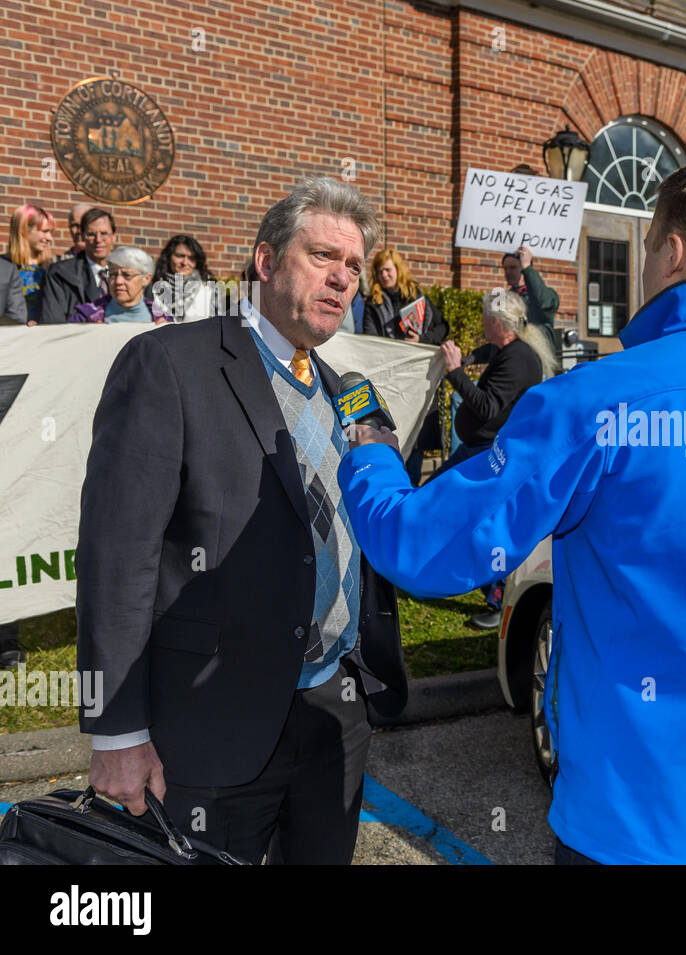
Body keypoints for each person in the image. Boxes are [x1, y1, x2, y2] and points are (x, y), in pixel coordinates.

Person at [340, 152, 686, 864]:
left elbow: (425, 547)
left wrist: (371, 453)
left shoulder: (596, 400)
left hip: (627, 832)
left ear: (671, 251)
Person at [76, 177, 408, 865]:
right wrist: (115, 732)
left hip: (333, 711)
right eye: (322, 256)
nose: (342, 278)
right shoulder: (170, 364)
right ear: (265, 261)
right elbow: (116, 557)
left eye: (353, 266)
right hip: (209, 722)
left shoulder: (352, 392)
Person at [439, 287, 557, 630]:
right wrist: (470, 359)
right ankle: (470, 581)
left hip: (486, 453)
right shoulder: (510, 351)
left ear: (495, 322)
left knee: (448, 502)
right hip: (482, 448)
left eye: (484, 319)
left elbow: (488, 407)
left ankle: (493, 597)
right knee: (469, 516)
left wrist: (455, 372)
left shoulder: (518, 359)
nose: (481, 324)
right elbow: (490, 351)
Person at [362, 248, 449, 483]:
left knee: (418, 439)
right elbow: (370, 338)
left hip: (419, 382)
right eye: (379, 271)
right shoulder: (373, 303)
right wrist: (399, 346)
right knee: (393, 433)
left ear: (398, 270)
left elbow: (443, 328)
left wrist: (420, 341)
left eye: (388, 269)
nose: (384, 275)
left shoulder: (416, 296)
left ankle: (411, 489)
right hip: (392, 382)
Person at [40, 207, 116, 322]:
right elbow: (52, 323)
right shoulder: (60, 274)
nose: (98, 240)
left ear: (114, 236)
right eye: (91, 234)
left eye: (104, 233)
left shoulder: (130, 272)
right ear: (83, 236)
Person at [69, 246, 172, 324]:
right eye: (113, 274)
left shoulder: (163, 320)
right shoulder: (85, 316)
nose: (118, 281)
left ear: (146, 279)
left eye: (127, 275)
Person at [2, 204, 55, 325]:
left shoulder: (51, 269)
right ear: (24, 230)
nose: (50, 238)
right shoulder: (3, 267)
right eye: (45, 231)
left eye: (50, 232)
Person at [501, 244, 558, 354]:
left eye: (512, 268)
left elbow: (542, 302)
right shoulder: (505, 298)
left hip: (538, 358)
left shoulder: (547, 295)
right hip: (514, 357)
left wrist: (527, 267)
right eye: (505, 268)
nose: (507, 272)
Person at [151, 234, 217, 322]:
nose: (185, 262)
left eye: (191, 258)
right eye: (180, 256)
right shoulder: (153, 287)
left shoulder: (209, 288)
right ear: (168, 256)